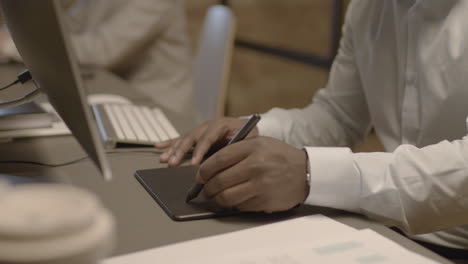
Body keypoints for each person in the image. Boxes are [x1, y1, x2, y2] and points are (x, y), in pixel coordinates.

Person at [156, 0, 468, 259]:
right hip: (387, 231)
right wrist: (257, 131)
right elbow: (339, 115)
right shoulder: (369, 7)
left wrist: (308, 173)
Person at [0, 0, 195, 118]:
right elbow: (66, 28)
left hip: (158, 109)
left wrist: (11, 46)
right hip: (113, 95)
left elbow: (102, 50)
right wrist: (15, 33)